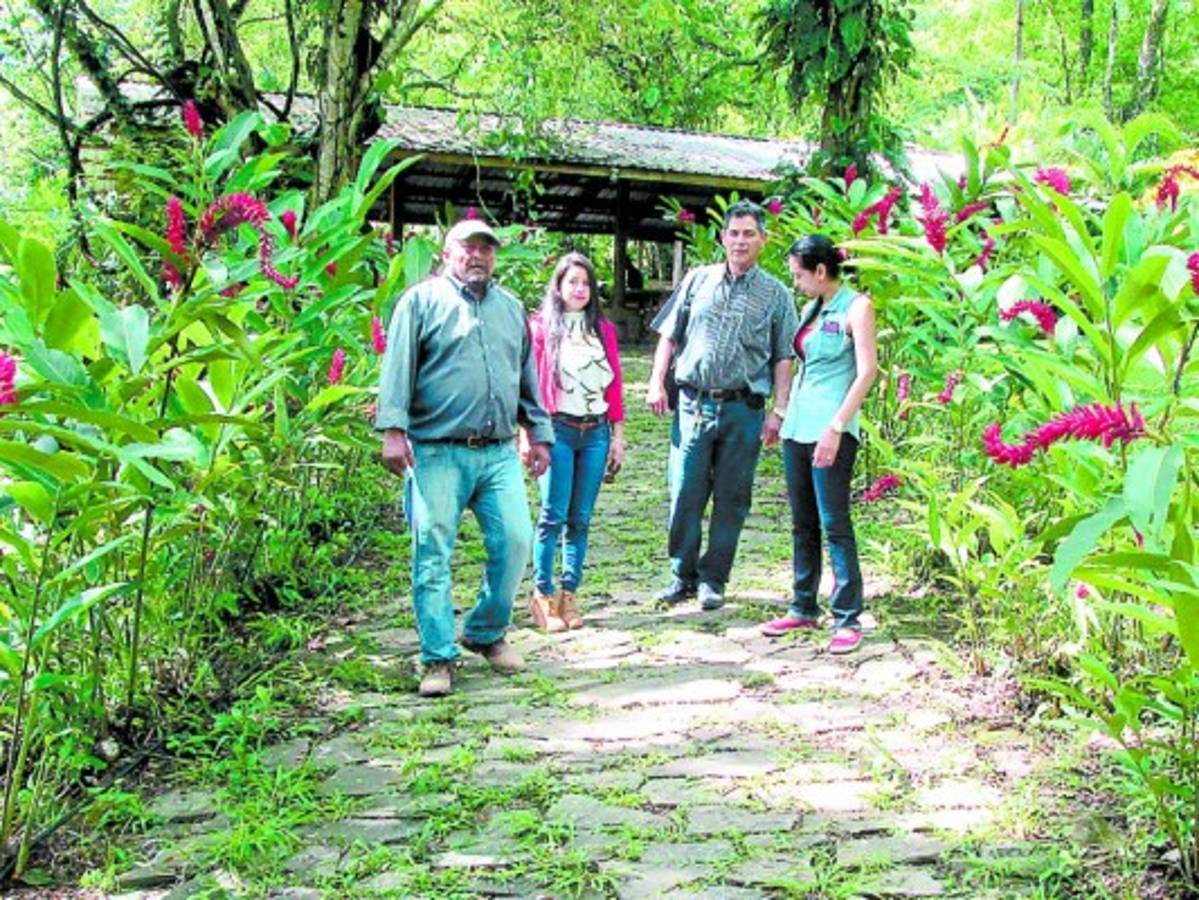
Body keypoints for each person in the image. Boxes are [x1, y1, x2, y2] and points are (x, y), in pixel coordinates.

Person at [376, 218, 554, 697]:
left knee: (516, 541)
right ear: (446, 252)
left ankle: (485, 631)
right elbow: (397, 370)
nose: (478, 256)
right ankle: (437, 656)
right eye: (468, 247)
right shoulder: (420, 302)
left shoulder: (511, 308)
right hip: (437, 451)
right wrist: (393, 431)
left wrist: (538, 431)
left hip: (496, 452)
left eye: (486, 249)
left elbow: (525, 375)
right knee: (432, 552)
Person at [646, 200, 799, 611]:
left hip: (743, 409)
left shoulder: (777, 295)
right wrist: (655, 381)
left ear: (763, 240)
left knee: (732, 498)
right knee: (683, 492)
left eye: (749, 234)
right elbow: (669, 335)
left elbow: (783, 356)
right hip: (693, 405)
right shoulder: (698, 281)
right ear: (723, 237)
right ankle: (682, 574)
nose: (740, 241)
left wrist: (778, 411)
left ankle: (714, 579)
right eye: (734, 233)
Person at [760, 234, 878, 654]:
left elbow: (867, 371)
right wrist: (781, 413)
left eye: (799, 275)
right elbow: (796, 361)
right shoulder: (814, 308)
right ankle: (803, 604)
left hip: (832, 427)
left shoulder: (856, 307)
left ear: (821, 271)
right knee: (802, 522)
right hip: (798, 427)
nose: (796, 283)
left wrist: (837, 426)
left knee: (835, 524)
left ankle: (847, 615)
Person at [521, 252, 625, 632]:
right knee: (553, 515)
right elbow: (527, 387)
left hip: (595, 432)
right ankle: (542, 596)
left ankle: (570, 594)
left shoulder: (603, 330)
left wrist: (618, 436)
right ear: (559, 287)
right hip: (555, 431)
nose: (580, 289)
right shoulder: (540, 328)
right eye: (572, 282)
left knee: (580, 519)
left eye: (585, 282)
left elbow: (614, 387)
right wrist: (526, 435)